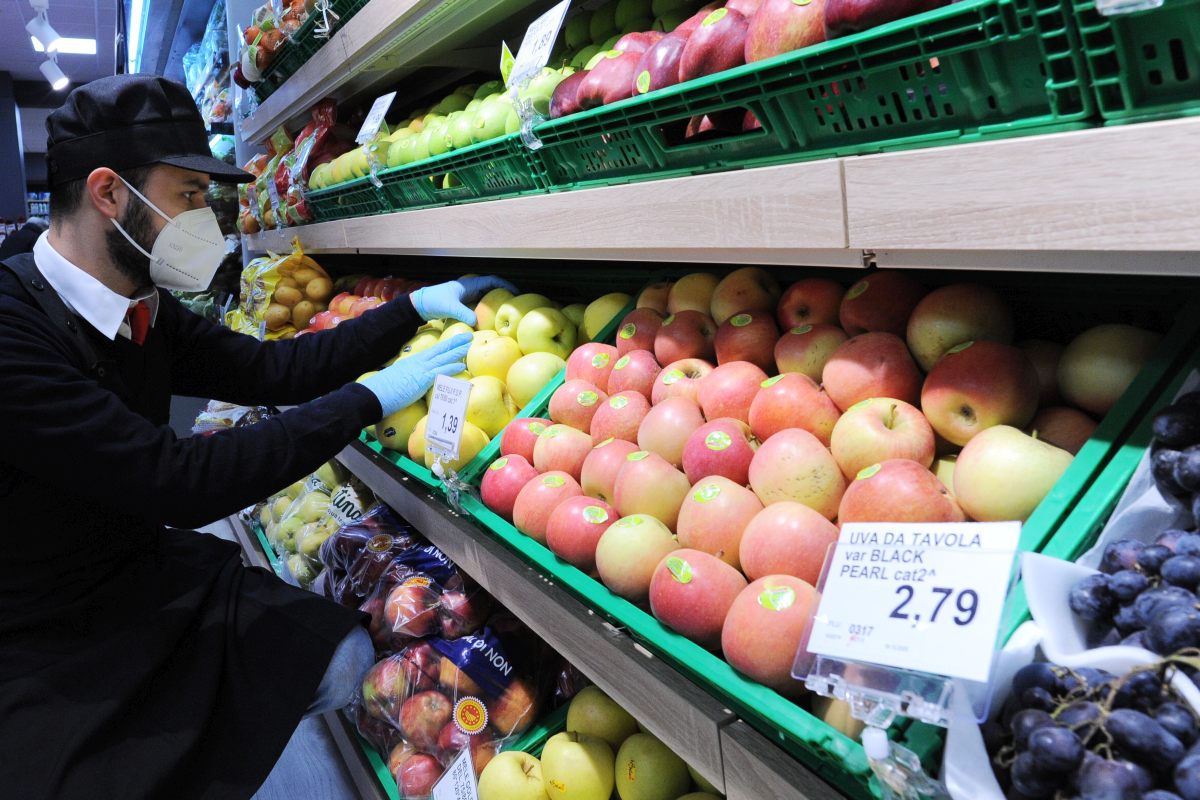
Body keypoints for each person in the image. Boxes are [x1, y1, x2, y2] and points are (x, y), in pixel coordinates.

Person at [0, 74, 515, 799]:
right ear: (109, 194)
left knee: (335, 659)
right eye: (186, 195)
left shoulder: (139, 301)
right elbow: (178, 479)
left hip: (138, 568)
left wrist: (408, 313)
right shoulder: (14, 329)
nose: (204, 219)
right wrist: (367, 400)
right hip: (42, 624)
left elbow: (273, 369)